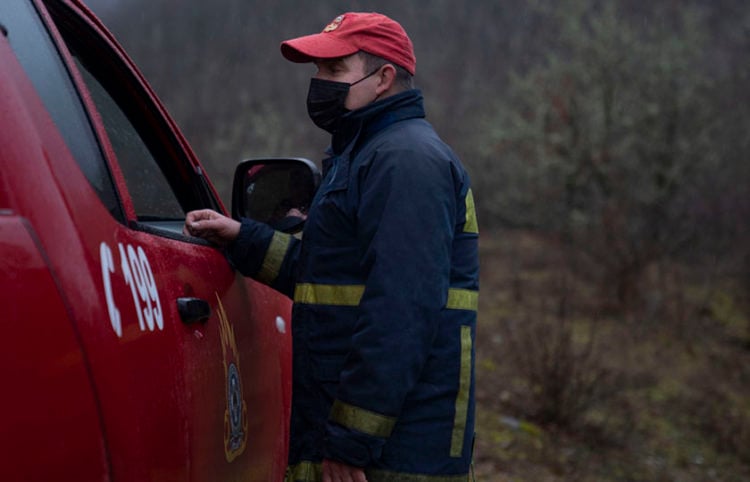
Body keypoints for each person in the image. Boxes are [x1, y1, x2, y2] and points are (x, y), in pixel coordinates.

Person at [184, 12, 479, 482]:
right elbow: (331, 277)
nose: (319, 84)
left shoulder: (405, 162)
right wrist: (243, 237)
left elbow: (401, 310)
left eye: (334, 71)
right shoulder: (363, 155)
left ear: (383, 78)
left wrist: (351, 442)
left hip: (395, 456)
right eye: (317, 72)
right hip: (363, 443)